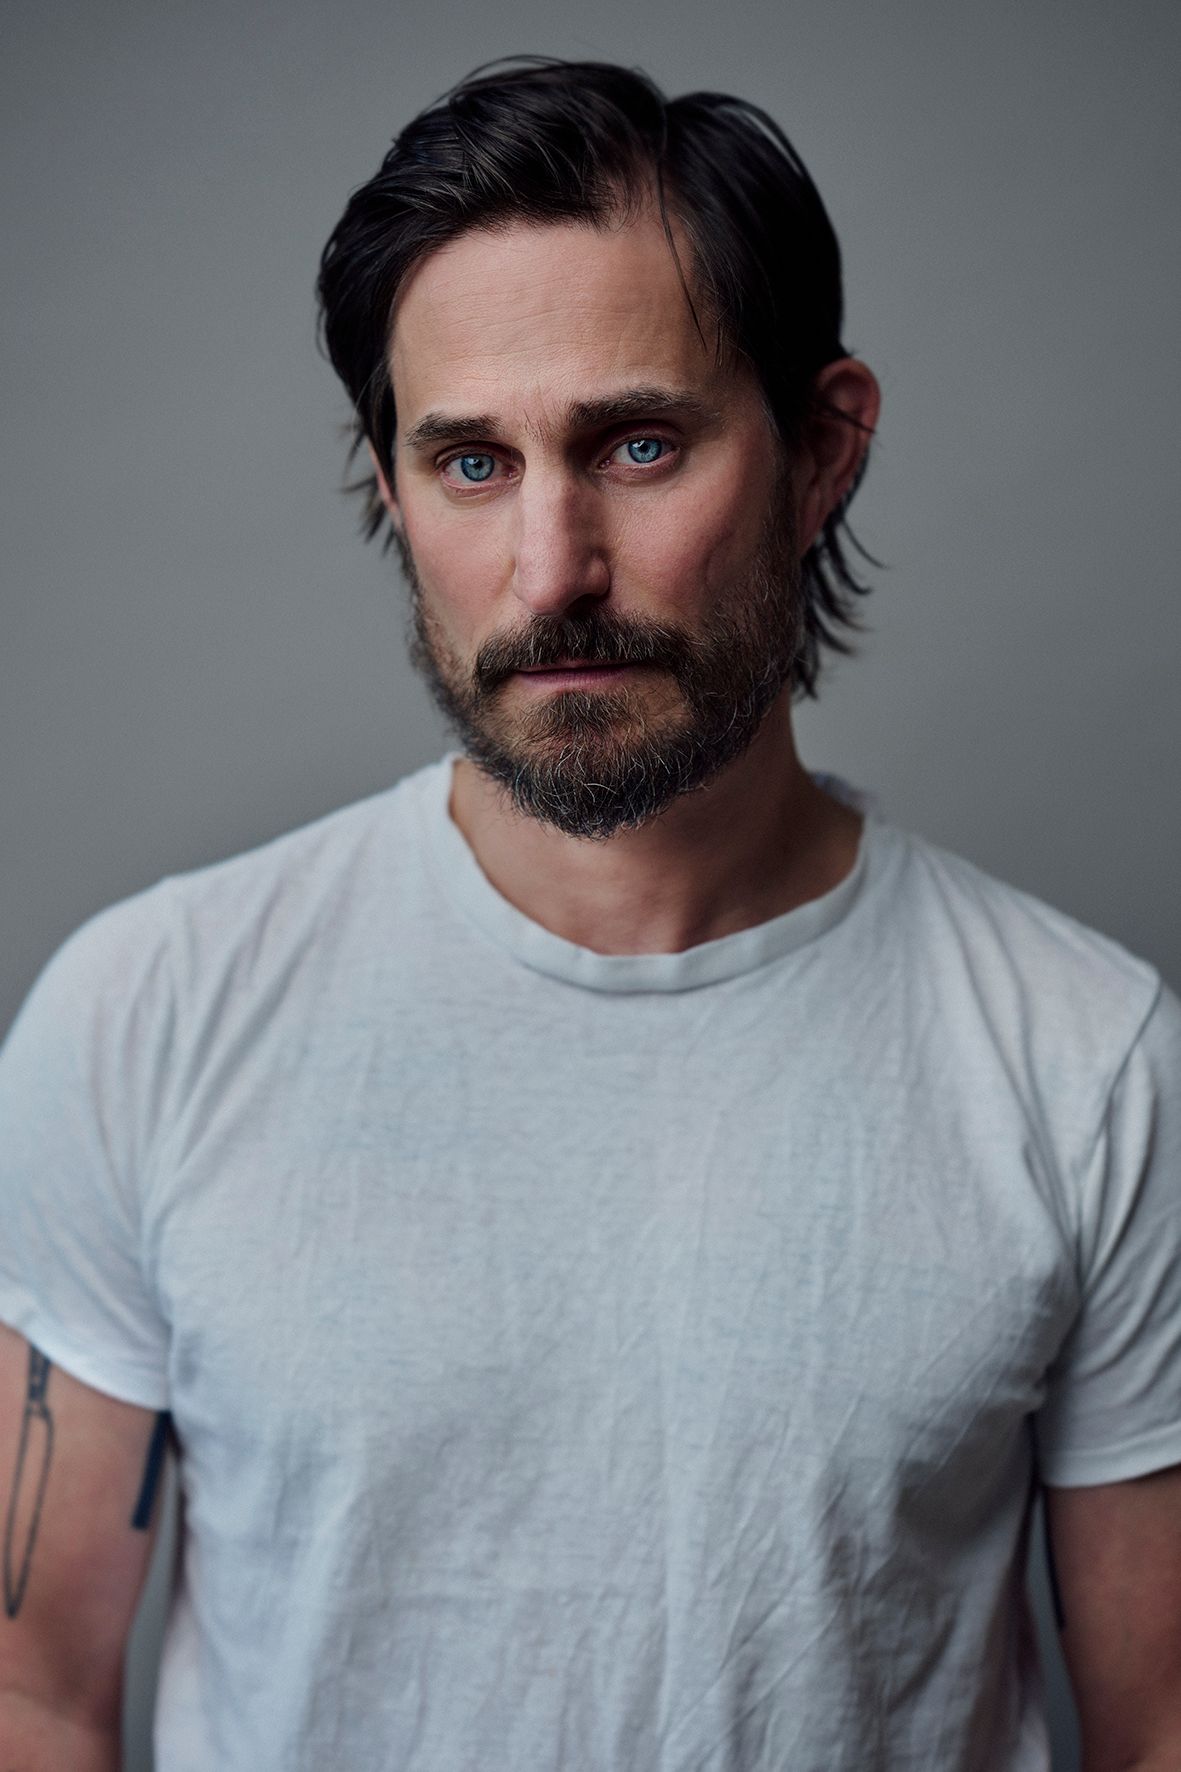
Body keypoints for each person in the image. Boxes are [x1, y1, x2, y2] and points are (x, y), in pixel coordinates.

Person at [1, 55, 1179, 1772]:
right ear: (390, 486)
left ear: (822, 450)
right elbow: (29, 1690)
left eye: (638, 445)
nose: (549, 570)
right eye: (470, 462)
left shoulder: (1087, 1062)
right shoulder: (147, 1016)